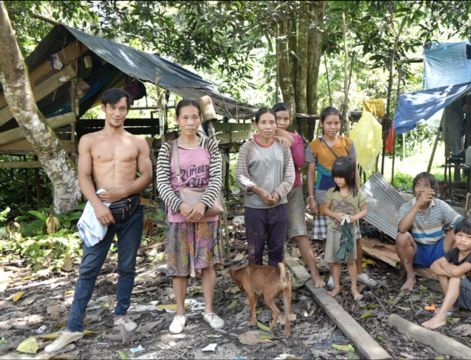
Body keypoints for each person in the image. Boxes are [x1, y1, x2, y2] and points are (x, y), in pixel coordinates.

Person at [45, 88, 153, 353]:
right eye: (113, 107)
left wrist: (126, 191)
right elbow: (84, 177)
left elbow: (147, 175)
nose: (117, 113)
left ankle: (121, 315)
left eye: (122, 108)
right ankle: (73, 327)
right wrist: (96, 206)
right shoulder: (89, 141)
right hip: (100, 211)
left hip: (130, 212)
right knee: (88, 268)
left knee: (127, 266)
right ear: (104, 108)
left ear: (127, 110)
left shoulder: (137, 141)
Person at [156, 99, 226, 334]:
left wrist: (203, 204)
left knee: (207, 264)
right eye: (185, 117)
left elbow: (216, 178)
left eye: (194, 117)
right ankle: (179, 313)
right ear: (177, 120)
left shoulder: (210, 146)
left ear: (200, 119)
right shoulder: (168, 148)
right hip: (179, 216)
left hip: (206, 215)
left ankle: (208, 310)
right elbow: (162, 182)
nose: (190, 122)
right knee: (179, 266)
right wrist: (179, 205)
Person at [306, 106, 377, 288]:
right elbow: (311, 173)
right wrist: (312, 197)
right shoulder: (314, 145)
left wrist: (357, 192)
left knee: (355, 235)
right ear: (321, 124)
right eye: (329, 123)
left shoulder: (347, 143)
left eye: (336, 123)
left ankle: (358, 272)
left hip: (348, 195)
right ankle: (333, 274)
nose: (333, 126)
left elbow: (354, 169)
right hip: (324, 193)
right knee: (327, 236)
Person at [273, 103, 325, 288]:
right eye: (278, 119)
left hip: (293, 190)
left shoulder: (294, 137)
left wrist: (291, 140)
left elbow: (300, 162)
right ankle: (279, 278)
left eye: (285, 119)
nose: (281, 122)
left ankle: (315, 274)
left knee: (300, 232)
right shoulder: (265, 138)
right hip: (271, 193)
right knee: (275, 236)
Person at [236, 108, 294, 266]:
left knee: (277, 250)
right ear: (256, 124)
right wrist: (257, 190)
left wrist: (277, 194)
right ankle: (255, 288)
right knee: (255, 252)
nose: (268, 126)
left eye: (272, 122)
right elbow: (240, 175)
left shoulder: (283, 147)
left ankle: (274, 287)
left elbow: (289, 176)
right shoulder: (247, 148)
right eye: (263, 122)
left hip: (279, 206)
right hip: (254, 208)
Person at [395, 172, 462, 292]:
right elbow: (402, 228)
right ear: (414, 189)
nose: (421, 189)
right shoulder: (406, 207)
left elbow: (460, 222)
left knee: (459, 232)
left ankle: (452, 268)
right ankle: (411, 276)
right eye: (418, 185)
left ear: (432, 190)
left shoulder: (440, 205)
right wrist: (417, 205)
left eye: (426, 186)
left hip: (439, 249)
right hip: (418, 251)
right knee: (402, 237)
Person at [421, 217, 471, 329]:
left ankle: (441, 317)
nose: (463, 240)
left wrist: (448, 267)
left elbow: (455, 272)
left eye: (469, 237)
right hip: (465, 293)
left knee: (455, 278)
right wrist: (451, 270)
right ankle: (452, 306)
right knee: (445, 274)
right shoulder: (455, 252)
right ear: (454, 236)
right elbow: (434, 266)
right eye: (460, 235)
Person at [320, 157, 367, 300]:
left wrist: (355, 217)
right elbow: (324, 209)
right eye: (336, 177)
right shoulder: (331, 193)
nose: (338, 180)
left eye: (341, 177)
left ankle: (354, 288)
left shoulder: (357, 193)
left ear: (350, 176)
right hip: (334, 231)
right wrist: (334, 214)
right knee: (334, 261)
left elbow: (364, 210)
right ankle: (336, 286)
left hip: (349, 232)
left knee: (351, 261)